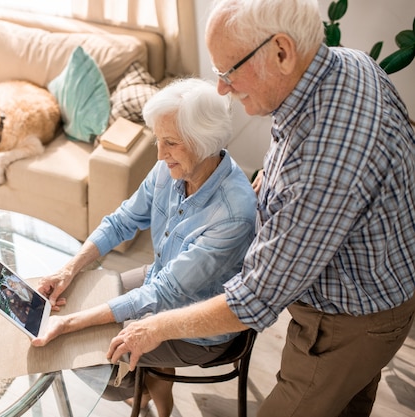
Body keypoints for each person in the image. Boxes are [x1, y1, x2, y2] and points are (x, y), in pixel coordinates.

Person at [107, 1, 415, 416]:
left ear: (281, 52)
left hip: (350, 319)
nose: (221, 88)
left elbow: (253, 301)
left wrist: (155, 327)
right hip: (382, 280)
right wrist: (268, 186)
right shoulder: (345, 65)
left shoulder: (324, 161)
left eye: (228, 71)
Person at [31, 78, 257, 416]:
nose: (160, 153)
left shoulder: (232, 213)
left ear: (204, 142)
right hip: (159, 283)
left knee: (78, 347)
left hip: (201, 329)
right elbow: (122, 221)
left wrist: (71, 326)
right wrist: (70, 268)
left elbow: (161, 295)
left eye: (171, 143)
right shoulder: (171, 168)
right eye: (158, 140)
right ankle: (159, 399)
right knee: (74, 302)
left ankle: (143, 390)